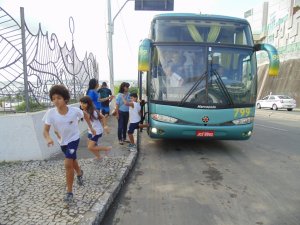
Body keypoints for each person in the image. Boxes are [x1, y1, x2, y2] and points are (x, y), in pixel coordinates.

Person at [42, 84, 85, 204]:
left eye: (59, 98)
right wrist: (49, 138)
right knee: (72, 160)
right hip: (63, 142)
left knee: (67, 163)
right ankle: (80, 173)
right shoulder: (50, 113)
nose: (56, 101)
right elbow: (45, 130)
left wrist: (91, 128)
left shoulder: (74, 111)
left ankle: (69, 192)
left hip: (73, 139)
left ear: (65, 99)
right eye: (53, 98)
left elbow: (84, 115)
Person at [79, 96, 112, 160]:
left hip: (96, 131)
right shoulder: (83, 111)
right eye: (81, 103)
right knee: (92, 146)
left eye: (84, 103)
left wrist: (105, 126)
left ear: (88, 104)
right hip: (90, 131)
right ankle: (98, 156)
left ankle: (107, 148)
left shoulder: (92, 111)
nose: (82, 104)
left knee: (90, 147)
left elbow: (103, 117)